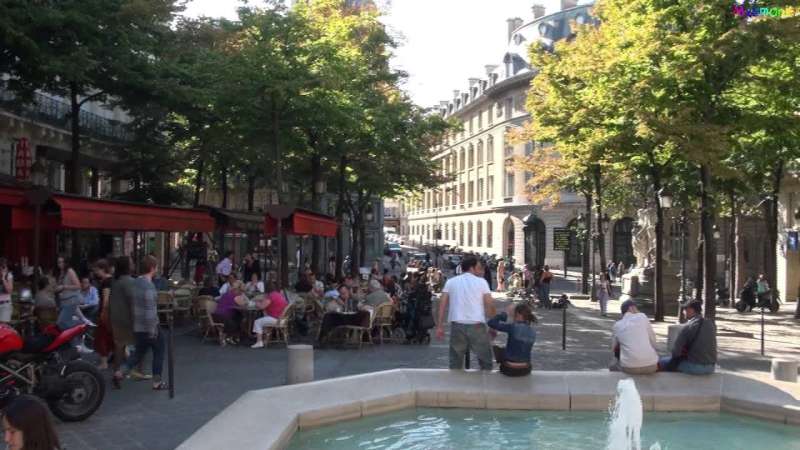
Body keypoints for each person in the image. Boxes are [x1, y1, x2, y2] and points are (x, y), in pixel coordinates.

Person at [436, 256, 496, 371]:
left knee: (455, 361)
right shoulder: (482, 282)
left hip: (457, 324)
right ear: (472, 268)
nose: (481, 271)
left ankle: (457, 386)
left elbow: (442, 304)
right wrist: (493, 327)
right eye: (478, 268)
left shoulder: (451, 282)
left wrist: (440, 326)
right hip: (477, 325)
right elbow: (490, 305)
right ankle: (486, 385)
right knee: (485, 361)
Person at [123, 255, 168, 390]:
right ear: (152, 268)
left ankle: (120, 371)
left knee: (138, 353)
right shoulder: (148, 286)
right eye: (156, 267)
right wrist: (152, 330)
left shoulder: (135, 283)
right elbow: (150, 311)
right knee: (159, 351)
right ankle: (157, 382)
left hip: (138, 325)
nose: (157, 269)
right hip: (150, 325)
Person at [110, 257, 144, 388]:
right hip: (128, 319)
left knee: (119, 346)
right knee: (142, 344)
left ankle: (117, 372)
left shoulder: (116, 280)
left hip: (116, 318)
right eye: (131, 263)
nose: (134, 264)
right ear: (127, 267)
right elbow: (132, 302)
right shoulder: (130, 282)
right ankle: (136, 371)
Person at [659, 301, 717, 375]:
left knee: (661, 362)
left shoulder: (688, 326)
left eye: (684, 309)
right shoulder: (710, 323)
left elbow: (676, 352)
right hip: (711, 367)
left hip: (696, 367)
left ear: (690, 310)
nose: (683, 312)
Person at [54, 257, 93, 352]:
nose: (59, 264)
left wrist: (63, 287)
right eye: (58, 262)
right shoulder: (62, 273)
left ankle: (82, 325)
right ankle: (76, 344)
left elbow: (78, 285)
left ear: (65, 262)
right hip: (64, 301)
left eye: (61, 262)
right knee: (65, 324)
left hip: (71, 300)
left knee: (61, 322)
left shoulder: (70, 271)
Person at [488, 303, 537, 377]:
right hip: (525, 369)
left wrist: (504, 314)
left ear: (518, 314)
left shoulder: (513, 327)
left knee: (498, 349)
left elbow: (491, 323)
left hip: (509, 369)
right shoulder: (532, 331)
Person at [611, 300, 659, 374]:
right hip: (651, 365)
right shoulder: (642, 316)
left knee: (613, 365)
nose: (638, 311)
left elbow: (613, 348)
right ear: (631, 308)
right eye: (637, 308)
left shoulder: (617, 325)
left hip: (629, 367)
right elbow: (653, 340)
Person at [91, 259, 115, 370]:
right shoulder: (111, 280)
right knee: (110, 338)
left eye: (97, 270)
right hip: (110, 313)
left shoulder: (107, 282)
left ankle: (104, 363)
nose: (96, 273)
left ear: (102, 269)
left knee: (101, 338)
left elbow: (105, 299)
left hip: (105, 313)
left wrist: (103, 313)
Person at [250, 282, 288, 349]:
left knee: (257, 322)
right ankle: (264, 338)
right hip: (283, 318)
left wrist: (256, 303)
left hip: (276, 319)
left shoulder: (271, 296)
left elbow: (262, 306)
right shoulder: (278, 295)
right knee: (263, 318)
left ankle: (259, 342)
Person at [214, 280, 247, 345]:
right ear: (237, 289)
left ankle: (230, 337)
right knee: (237, 319)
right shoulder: (235, 296)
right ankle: (225, 337)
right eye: (241, 291)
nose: (242, 293)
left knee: (239, 316)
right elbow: (243, 305)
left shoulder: (228, 294)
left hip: (218, 315)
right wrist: (243, 296)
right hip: (222, 316)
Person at [0, 257, 13, 323]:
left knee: (3, 326)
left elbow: (9, 291)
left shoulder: (8, 275)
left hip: (5, 305)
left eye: (5, 267)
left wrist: (3, 279)